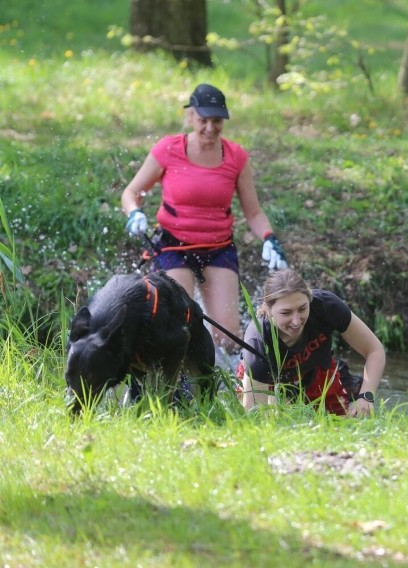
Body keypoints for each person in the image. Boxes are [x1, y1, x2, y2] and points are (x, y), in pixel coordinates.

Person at [120, 83, 288, 372]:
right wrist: (134, 212)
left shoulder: (236, 157)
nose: (210, 128)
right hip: (173, 246)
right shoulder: (168, 149)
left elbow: (254, 211)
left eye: (217, 121)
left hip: (218, 248)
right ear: (190, 116)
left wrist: (269, 238)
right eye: (203, 120)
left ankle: (222, 385)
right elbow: (131, 192)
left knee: (227, 336)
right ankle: (177, 383)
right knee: (180, 322)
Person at [239, 269, 385, 418]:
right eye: (286, 313)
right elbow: (254, 416)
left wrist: (366, 397)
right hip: (271, 383)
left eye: (302, 309)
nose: (296, 321)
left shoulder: (326, 306)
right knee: (278, 418)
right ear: (268, 310)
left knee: (344, 423)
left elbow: (374, 350)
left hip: (318, 374)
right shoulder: (257, 340)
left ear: (310, 300)